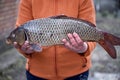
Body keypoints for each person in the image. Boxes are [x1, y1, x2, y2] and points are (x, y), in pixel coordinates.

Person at [14, 0, 96, 80]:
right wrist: (25, 50)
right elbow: (19, 33)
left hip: (77, 73)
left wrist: (84, 48)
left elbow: (92, 33)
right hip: (38, 74)